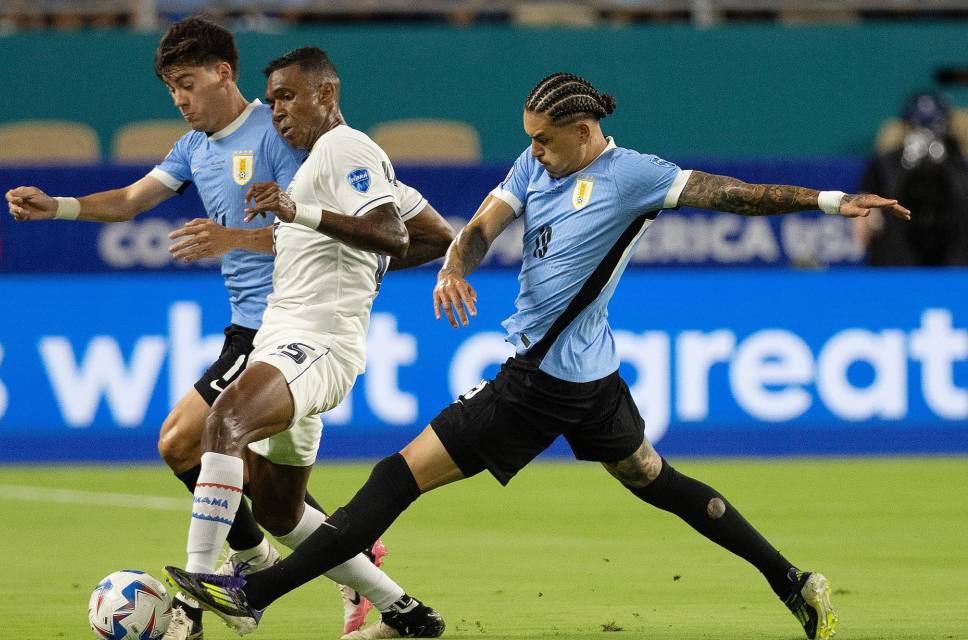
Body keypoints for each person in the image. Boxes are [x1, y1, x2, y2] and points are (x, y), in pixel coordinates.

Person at [164, 72, 914, 640]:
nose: (533, 152)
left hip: (536, 386)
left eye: (545, 140)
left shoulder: (635, 178)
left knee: (397, 476)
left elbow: (735, 193)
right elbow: (489, 220)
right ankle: (793, 581)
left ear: (585, 131)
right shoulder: (536, 166)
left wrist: (826, 202)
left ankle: (255, 594)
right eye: (528, 138)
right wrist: (457, 259)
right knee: (657, 479)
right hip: (594, 380)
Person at [4, 17, 452, 640]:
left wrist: (243, 239)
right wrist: (58, 207)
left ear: (223, 73)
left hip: (292, 332)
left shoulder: (293, 136)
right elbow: (132, 200)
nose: (180, 99)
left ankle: (210, 587)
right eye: (170, 89)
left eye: (187, 83)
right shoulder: (194, 148)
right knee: (274, 503)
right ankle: (399, 607)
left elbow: (337, 219)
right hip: (263, 329)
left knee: (192, 437)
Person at [161, 46, 453, 639]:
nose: (277, 111)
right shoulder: (327, 160)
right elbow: (435, 235)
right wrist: (360, 266)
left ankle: (195, 594)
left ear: (327, 92)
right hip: (285, 343)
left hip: (315, 347)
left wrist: (303, 213)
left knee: (225, 422)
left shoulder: (347, 149)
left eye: (289, 96)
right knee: (278, 511)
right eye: (271, 101)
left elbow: (392, 234)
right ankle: (407, 614)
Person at [856, 91, 968, 265]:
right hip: (898, 262)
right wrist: (868, 219)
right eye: (918, 127)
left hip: (953, 263)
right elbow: (862, 218)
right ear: (906, 126)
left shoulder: (958, 163)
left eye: (933, 127)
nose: (926, 135)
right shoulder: (886, 164)